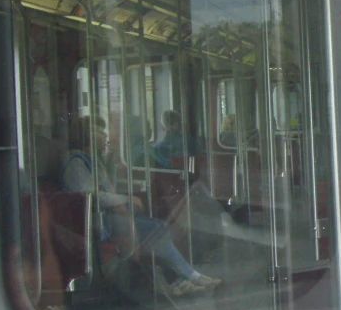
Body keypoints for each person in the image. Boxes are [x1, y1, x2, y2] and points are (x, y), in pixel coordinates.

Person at [60, 115, 221, 297]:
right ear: (87, 135)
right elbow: (92, 198)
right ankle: (187, 277)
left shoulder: (93, 160)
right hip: (95, 222)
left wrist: (111, 164)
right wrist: (125, 200)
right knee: (156, 230)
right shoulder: (75, 163)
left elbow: (108, 189)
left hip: (109, 217)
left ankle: (182, 278)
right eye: (99, 132)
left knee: (157, 231)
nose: (104, 136)